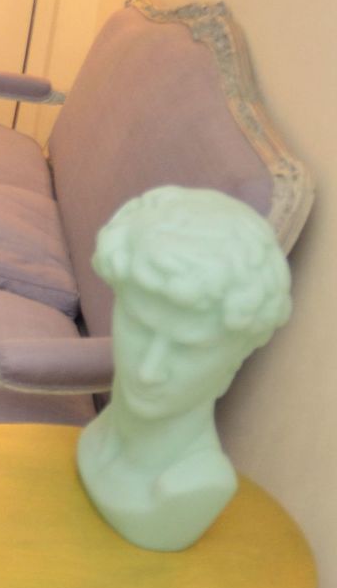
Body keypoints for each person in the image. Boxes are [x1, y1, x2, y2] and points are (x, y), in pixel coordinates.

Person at [76, 185, 292, 551]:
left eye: (189, 348)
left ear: (236, 358)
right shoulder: (98, 436)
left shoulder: (194, 489)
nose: (149, 371)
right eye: (139, 326)